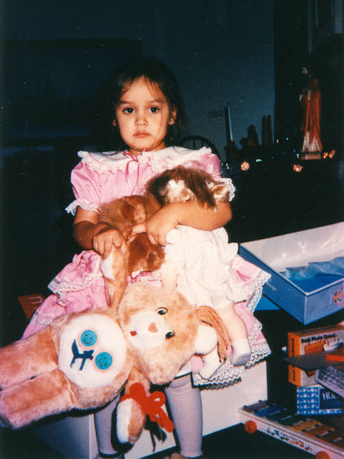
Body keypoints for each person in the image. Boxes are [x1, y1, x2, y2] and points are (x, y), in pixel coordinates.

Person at [22, 56, 269, 459]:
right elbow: (80, 224)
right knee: (108, 370)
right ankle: (108, 452)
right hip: (113, 282)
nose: (141, 120)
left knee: (178, 374)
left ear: (171, 115)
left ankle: (190, 453)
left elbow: (220, 212)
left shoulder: (188, 163)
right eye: (128, 109)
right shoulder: (97, 169)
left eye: (153, 108)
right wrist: (95, 232)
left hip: (173, 282)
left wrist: (175, 212)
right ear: (114, 116)